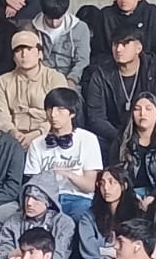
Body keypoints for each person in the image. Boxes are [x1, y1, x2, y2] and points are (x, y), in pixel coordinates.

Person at [82, 26, 156, 160]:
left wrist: (146, 136)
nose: (119, 49)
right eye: (115, 44)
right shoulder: (101, 74)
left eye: (125, 44)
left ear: (138, 48)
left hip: (151, 134)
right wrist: (123, 138)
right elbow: (96, 117)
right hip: (115, 137)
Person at [22, 87, 101, 219]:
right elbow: (33, 186)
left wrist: (68, 174)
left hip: (79, 198)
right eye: (49, 109)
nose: (53, 114)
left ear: (72, 113)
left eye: (60, 109)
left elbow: (90, 186)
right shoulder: (36, 143)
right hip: (47, 199)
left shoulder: (88, 139)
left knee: (83, 215)